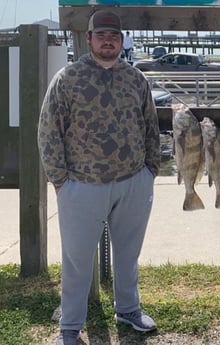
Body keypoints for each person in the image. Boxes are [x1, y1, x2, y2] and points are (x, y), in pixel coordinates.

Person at [37, 10, 160, 345]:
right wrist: (60, 181)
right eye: (102, 35)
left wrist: (151, 171)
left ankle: (129, 309)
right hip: (81, 184)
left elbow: (151, 127)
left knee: (128, 253)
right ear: (89, 39)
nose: (108, 41)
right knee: (76, 259)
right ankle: (71, 326)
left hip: (133, 181)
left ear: (121, 41)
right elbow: (49, 132)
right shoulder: (68, 78)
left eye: (115, 36)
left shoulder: (136, 79)